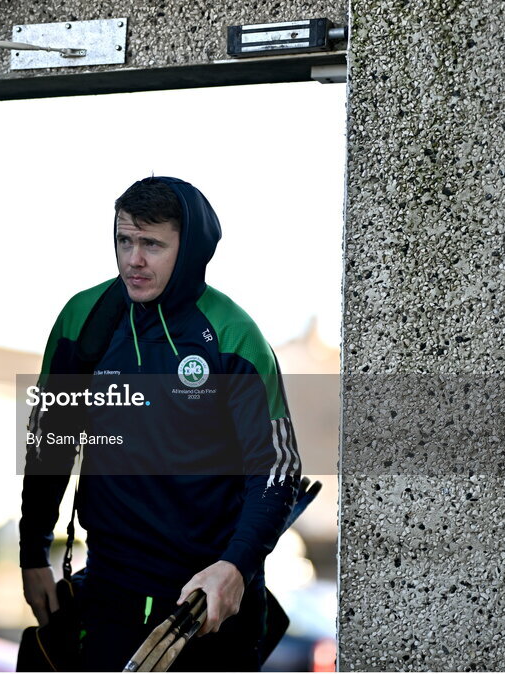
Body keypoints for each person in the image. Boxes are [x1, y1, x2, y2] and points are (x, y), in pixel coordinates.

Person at [20, 177, 301, 671]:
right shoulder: (84, 319)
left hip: (208, 605)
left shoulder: (234, 336)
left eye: (152, 244)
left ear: (189, 249)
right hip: (110, 596)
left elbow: (276, 471)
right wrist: (32, 551)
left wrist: (235, 568)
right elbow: (50, 442)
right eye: (124, 241)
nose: (134, 260)